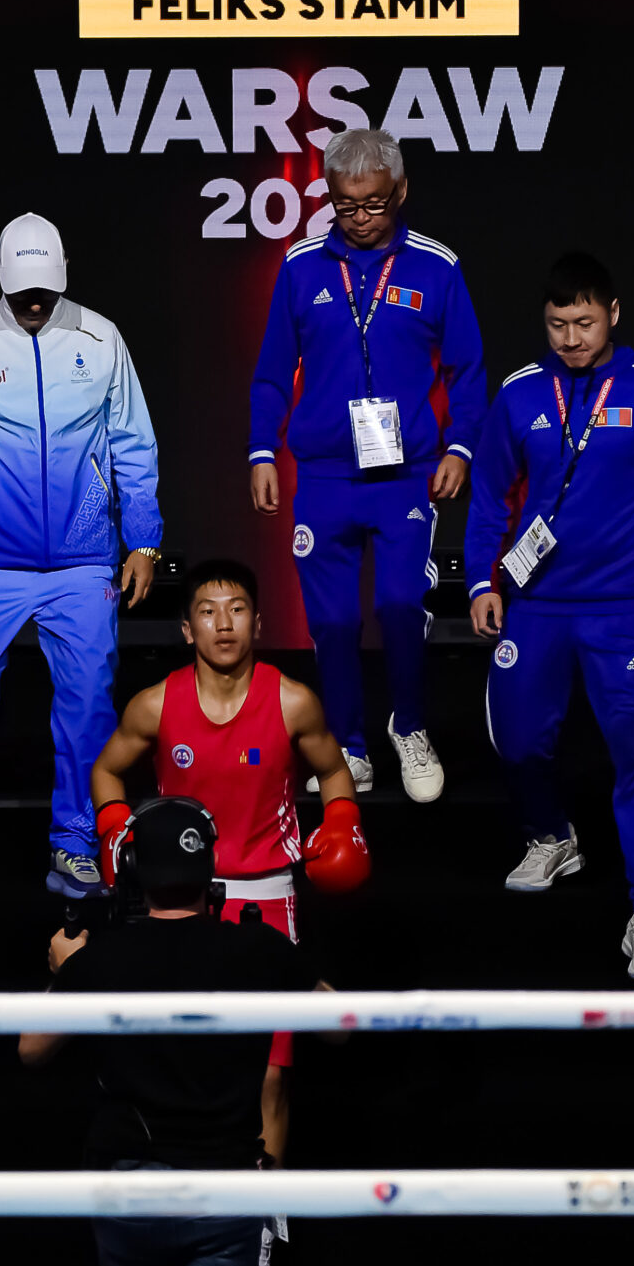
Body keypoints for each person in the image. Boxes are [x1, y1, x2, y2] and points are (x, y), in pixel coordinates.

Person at [24, 798, 328, 1266]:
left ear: (133, 872)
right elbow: (342, 1019)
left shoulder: (103, 959)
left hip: (131, 1184)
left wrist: (65, 973)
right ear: (208, 870)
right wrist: (274, 978)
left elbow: (31, 1048)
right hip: (224, 1186)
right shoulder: (254, 949)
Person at [464, 252, 634, 982]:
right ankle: (553, 836)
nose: (571, 338)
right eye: (557, 324)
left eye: (583, 322)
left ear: (612, 313)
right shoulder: (520, 392)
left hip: (625, 608)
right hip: (534, 605)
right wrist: (482, 582)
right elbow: (489, 496)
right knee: (518, 744)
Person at [0, 212, 164, 897]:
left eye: (44, 288)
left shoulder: (102, 339)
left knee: (88, 706)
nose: (35, 302)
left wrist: (143, 539)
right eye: (22, 289)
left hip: (82, 561)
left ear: (64, 272)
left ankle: (73, 842)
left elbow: (133, 446)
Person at [248, 127, 484, 803]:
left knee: (401, 605)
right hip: (324, 475)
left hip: (406, 475)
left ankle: (409, 727)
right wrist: (262, 450)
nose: (359, 218)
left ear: (400, 191)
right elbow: (272, 373)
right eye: (345, 205)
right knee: (331, 622)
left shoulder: (436, 266)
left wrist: (460, 447)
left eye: (374, 204)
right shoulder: (300, 266)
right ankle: (349, 744)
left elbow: (468, 369)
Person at [87, 557, 369, 944]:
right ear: (188, 630)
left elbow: (334, 770)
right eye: (208, 612)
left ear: (257, 624)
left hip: (267, 894)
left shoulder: (293, 702)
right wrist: (115, 829)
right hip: (177, 895)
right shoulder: (154, 705)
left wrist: (341, 818)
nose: (223, 624)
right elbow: (105, 770)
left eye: (237, 609)